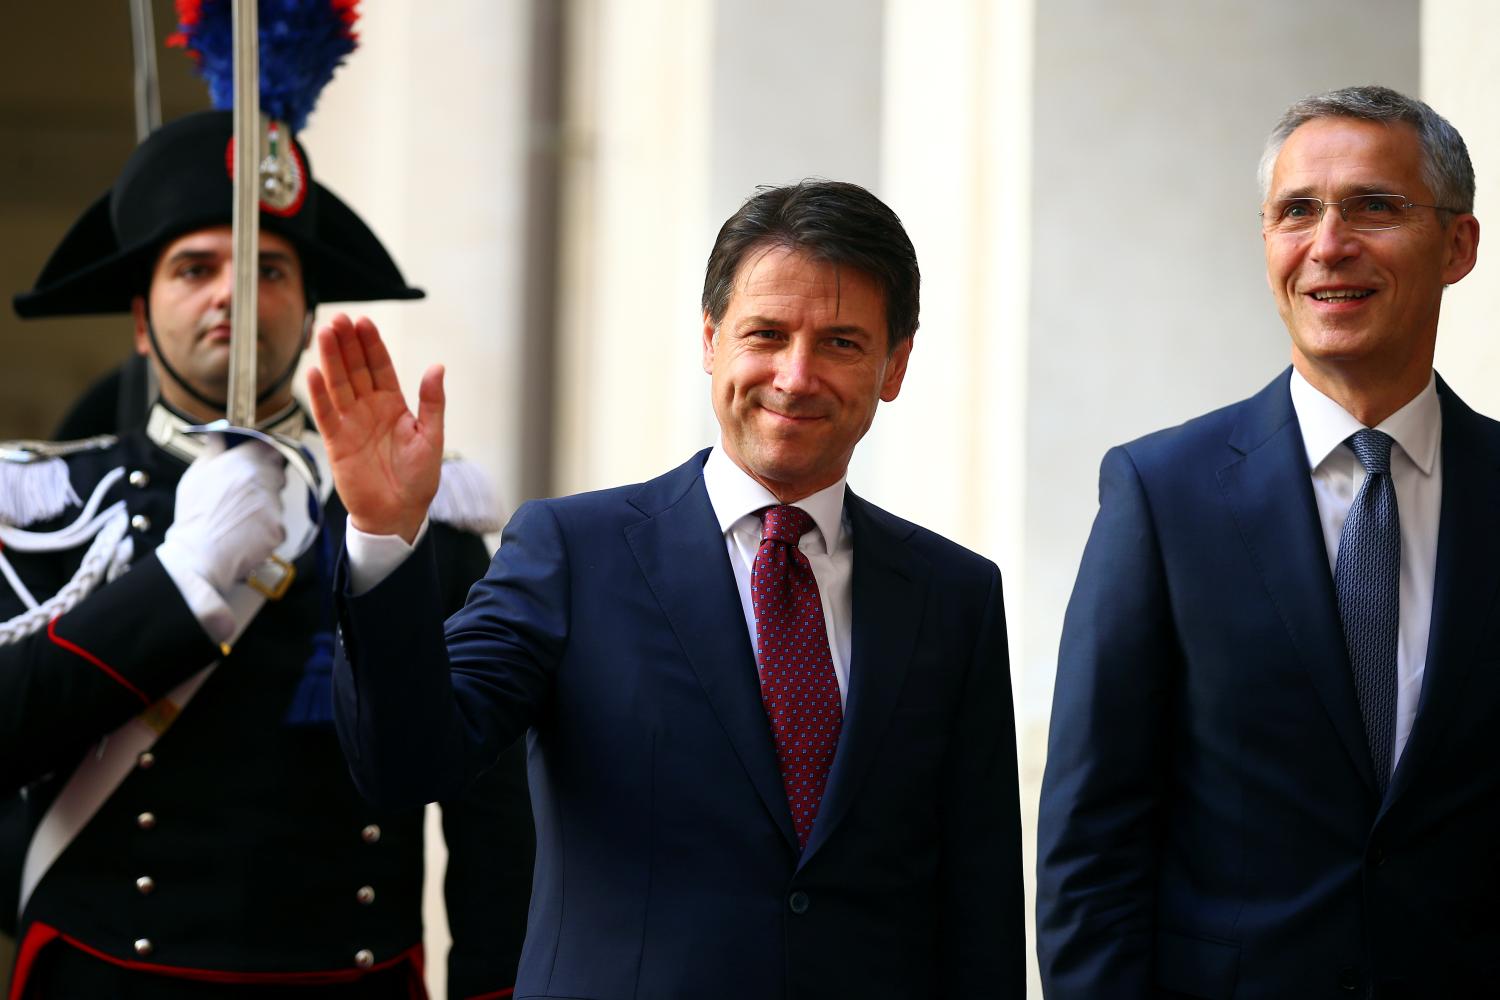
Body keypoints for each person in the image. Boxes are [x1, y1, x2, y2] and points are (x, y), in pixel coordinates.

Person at [311, 180, 1025, 999]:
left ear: (894, 365)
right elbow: (407, 764)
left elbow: (981, 904)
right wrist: (383, 540)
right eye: (766, 335)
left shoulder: (952, 594)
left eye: (841, 343)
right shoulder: (572, 553)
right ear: (711, 340)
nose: (796, 376)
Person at [1, 109, 532, 999]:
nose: (234, 294)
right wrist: (177, 590)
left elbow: (496, 818)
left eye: (268, 270)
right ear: (141, 319)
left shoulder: (422, 516)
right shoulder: (48, 512)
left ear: (311, 307)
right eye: (195, 268)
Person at [1036, 84, 1493, 997]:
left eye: (1375, 206)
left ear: (1458, 247)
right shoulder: (1160, 496)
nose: (1329, 245)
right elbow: (1094, 846)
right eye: (1297, 212)